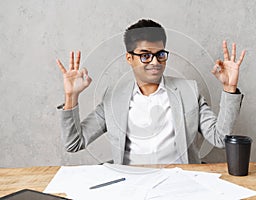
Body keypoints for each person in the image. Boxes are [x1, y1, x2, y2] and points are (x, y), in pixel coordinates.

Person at [56, 19, 245, 165]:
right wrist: (71, 97)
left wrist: (229, 89)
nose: (155, 62)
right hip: (131, 186)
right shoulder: (113, 98)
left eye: (160, 54)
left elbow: (221, 139)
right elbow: (74, 143)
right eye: (145, 56)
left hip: (181, 185)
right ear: (129, 58)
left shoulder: (189, 91)